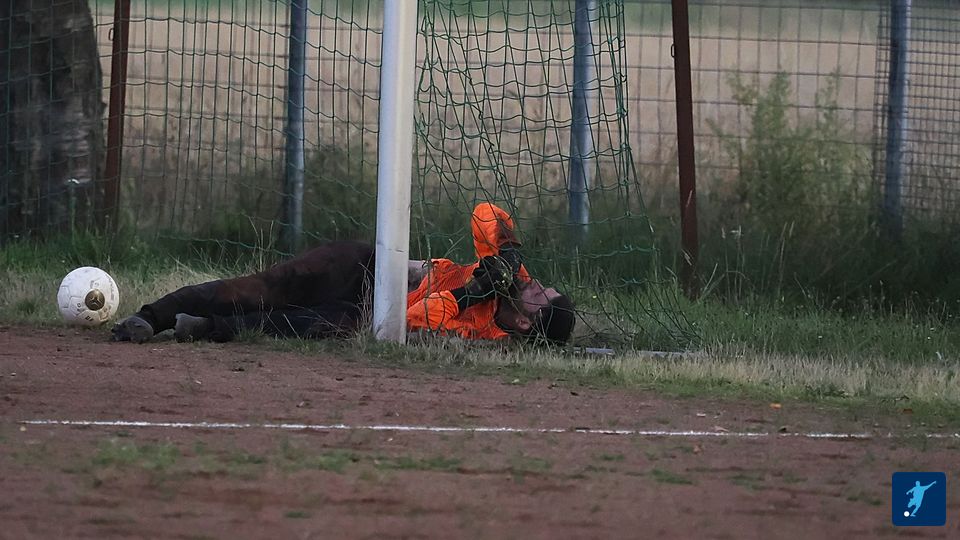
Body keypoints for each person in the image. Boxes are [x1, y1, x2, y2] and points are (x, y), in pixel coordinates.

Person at [111, 202, 575, 345]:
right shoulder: (513, 274)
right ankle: (153, 315)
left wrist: (470, 294)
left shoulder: (485, 334)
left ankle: (203, 328)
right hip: (368, 267)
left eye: (540, 296)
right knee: (263, 288)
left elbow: (413, 321)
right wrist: (506, 255)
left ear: (522, 322)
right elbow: (485, 213)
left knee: (310, 324)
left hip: (372, 313)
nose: (534, 284)